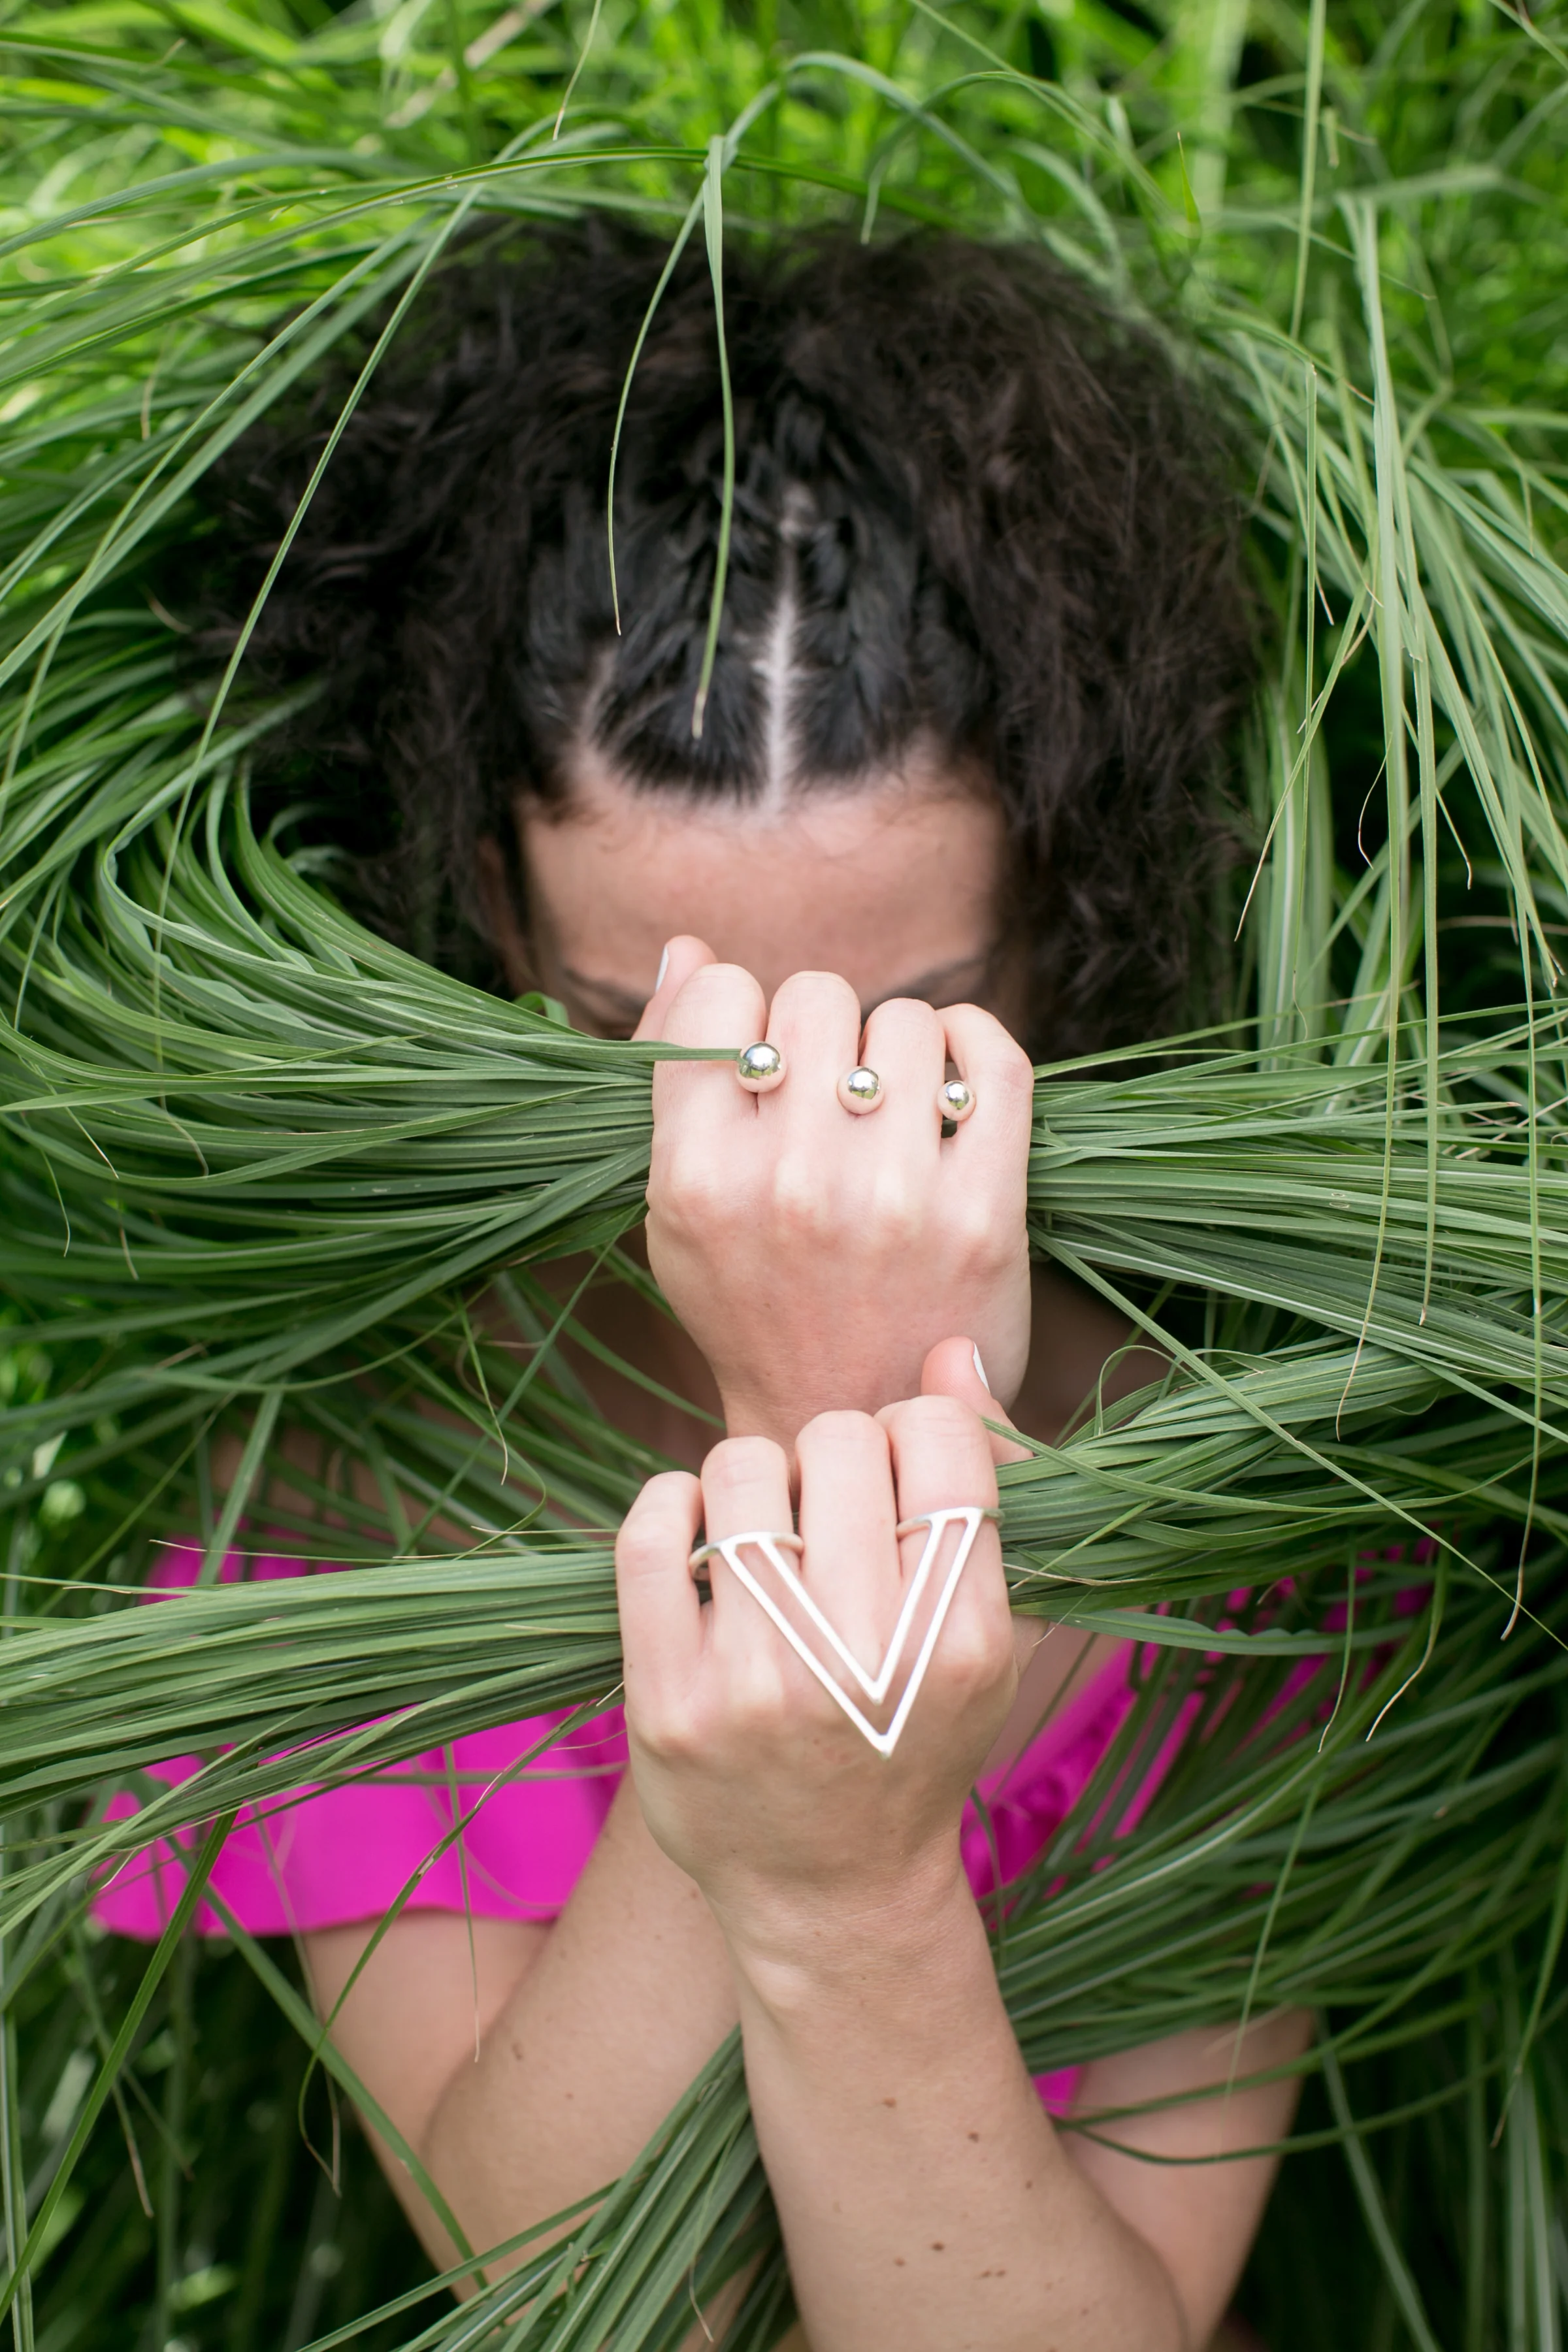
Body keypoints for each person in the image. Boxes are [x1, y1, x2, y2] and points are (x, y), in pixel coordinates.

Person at [101, 222, 1309, 2348]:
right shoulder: (368, 1471)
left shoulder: (1247, 1483)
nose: (781, 1161)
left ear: (1066, 905)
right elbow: (585, 2307)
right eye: (631, 1038)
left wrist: (843, 1880)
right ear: (485, 897)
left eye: (918, 1026)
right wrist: (811, 1456)